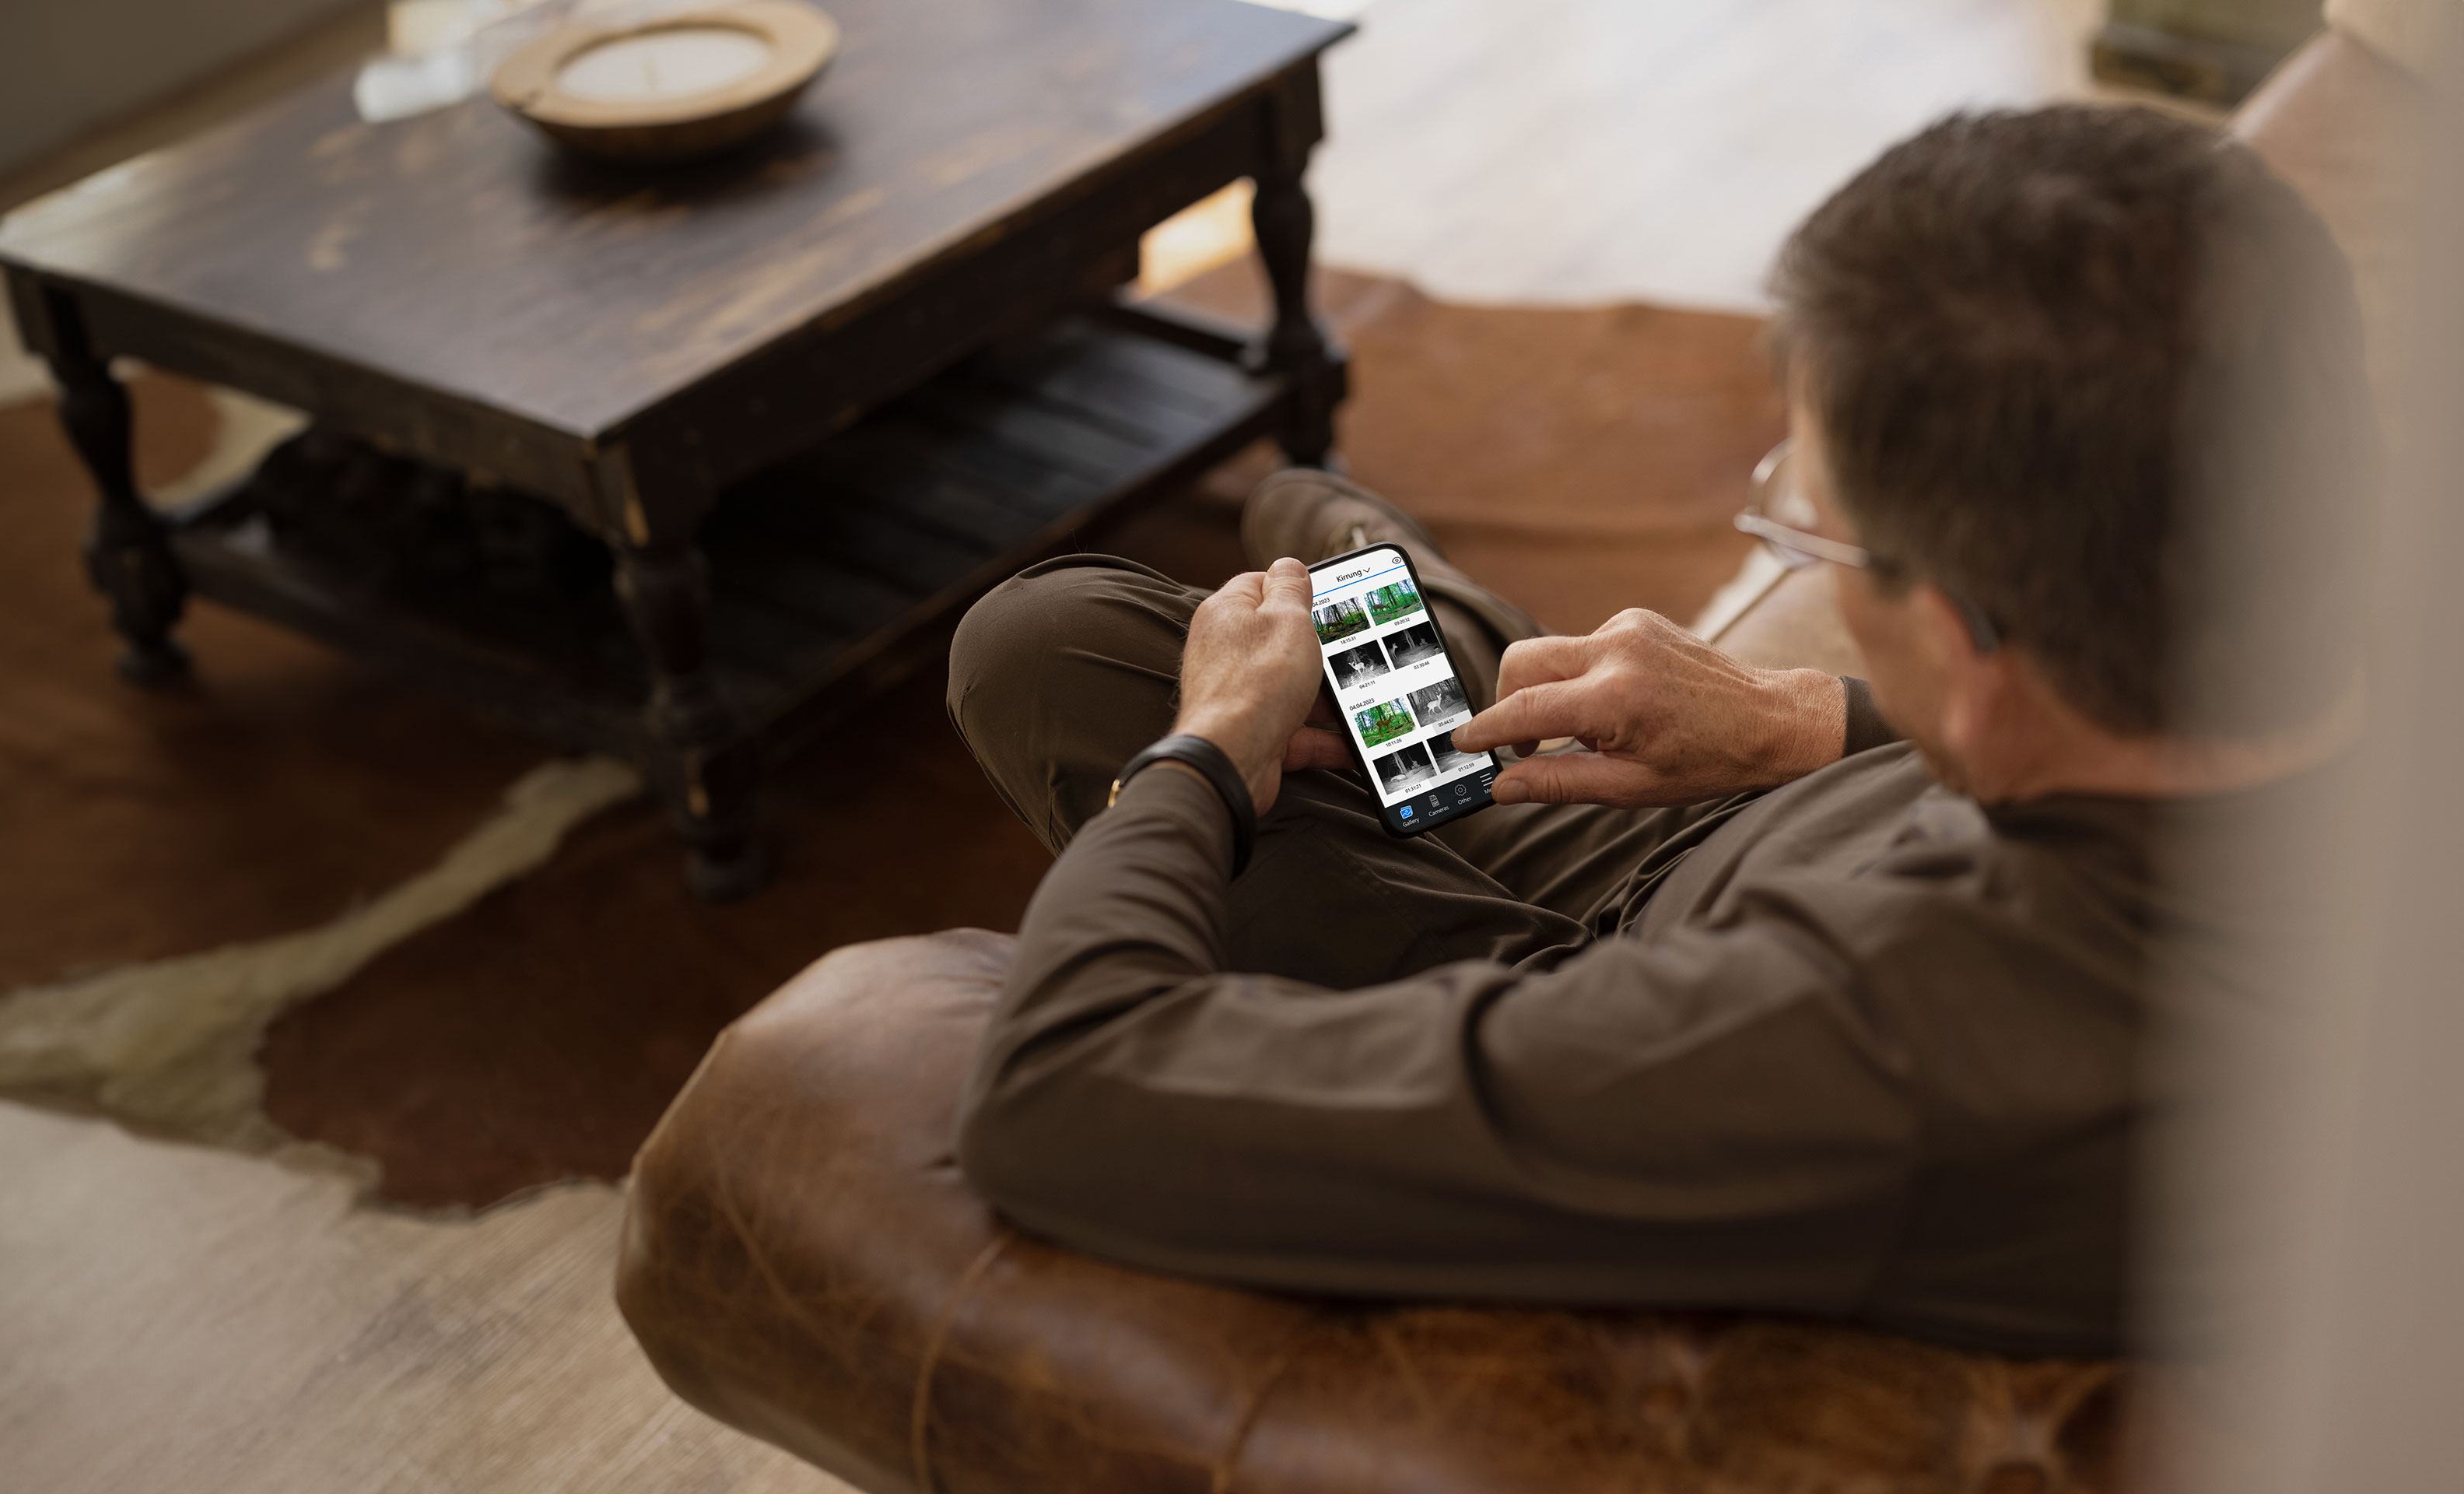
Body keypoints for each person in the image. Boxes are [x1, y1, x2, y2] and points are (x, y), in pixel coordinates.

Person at [941, 105, 2376, 1357]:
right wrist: (1803, 720)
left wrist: (1204, 753)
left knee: (1046, 643)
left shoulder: (1861, 1047)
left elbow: (1059, 1093)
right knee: (1353, 582)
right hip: (1765, 816)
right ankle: (1400, 586)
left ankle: (1392, 587)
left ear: (1959, 642)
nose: (1818, 566)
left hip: (1608, 970)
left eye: (1818, 536)